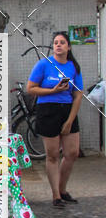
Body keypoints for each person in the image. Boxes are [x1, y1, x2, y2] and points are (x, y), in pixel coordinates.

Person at [26, 31, 83, 208]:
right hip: (48, 109)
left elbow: (78, 95)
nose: (58, 45)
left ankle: (63, 189)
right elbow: (31, 88)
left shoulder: (73, 67)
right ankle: (56, 196)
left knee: (72, 153)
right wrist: (52, 91)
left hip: (67, 110)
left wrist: (69, 121)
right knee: (52, 155)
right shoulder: (43, 64)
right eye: (56, 42)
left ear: (68, 47)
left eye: (62, 42)